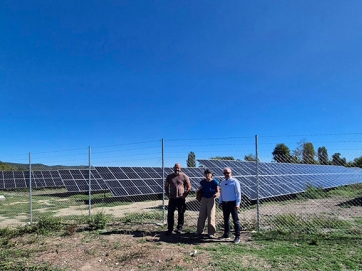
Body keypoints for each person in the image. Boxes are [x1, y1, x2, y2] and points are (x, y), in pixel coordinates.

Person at [164, 163, 191, 235]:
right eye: (176, 168)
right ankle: (170, 229)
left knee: (181, 213)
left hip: (180, 198)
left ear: (180, 168)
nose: (177, 169)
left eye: (178, 168)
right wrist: (168, 195)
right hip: (172, 198)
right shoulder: (169, 176)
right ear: (173, 168)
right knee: (170, 213)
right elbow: (166, 186)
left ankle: (179, 228)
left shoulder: (184, 176)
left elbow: (189, 187)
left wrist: (185, 195)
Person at [194, 169, 220, 238]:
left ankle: (211, 232)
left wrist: (216, 195)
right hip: (203, 198)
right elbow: (201, 188)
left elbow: (218, 191)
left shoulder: (215, 182)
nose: (207, 175)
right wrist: (199, 189)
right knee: (202, 215)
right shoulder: (203, 182)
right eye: (206, 174)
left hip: (211, 199)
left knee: (211, 215)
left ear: (211, 175)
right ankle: (199, 230)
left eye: (208, 174)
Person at [219, 167, 242, 244]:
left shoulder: (235, 181)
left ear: (231, 173)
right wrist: (220, 201)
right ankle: (226, 234)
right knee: (226, 220)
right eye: (225, 173)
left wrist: (238, 203)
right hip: (225, 203)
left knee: (235, 220)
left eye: (228, 173)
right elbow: (221, 193)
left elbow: (238, 193)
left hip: (233, 203)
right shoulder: (222, 182)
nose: (226, 174)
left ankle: (237, 236)